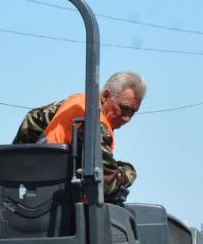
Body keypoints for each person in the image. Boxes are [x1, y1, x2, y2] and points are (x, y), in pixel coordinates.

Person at [13, 71, 145, 199]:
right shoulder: (98, 126)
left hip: (30, 192)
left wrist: (14, 165)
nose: (127, 118)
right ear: (105, 96)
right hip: (65, 206)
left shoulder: (75, 102)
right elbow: (105, 182)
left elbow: (33, 118)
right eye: (124, 108)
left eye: (133, 112)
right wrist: (129, 172)